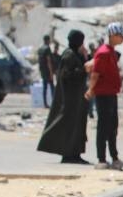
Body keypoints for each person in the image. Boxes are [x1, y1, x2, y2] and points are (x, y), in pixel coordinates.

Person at [37, 30, 90, 164]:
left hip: (77, 98)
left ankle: (75, 154)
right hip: (70, 99)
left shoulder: (76, 54)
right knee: (69, 126)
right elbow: (67, 76)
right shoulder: (69, 55)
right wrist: (84, 69)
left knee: (78, 126)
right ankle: (68, 154)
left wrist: (85, 58)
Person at [86, 23, 123, 171]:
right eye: (120, 36)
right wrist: (91, 89)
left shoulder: (111, 52)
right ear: (112, 36)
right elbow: (95, 74)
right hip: (103, 94)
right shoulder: (103, 53)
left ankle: (114, 157)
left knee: (112, 126)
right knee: (103, 126)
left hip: (112, 93)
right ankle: (101, 158)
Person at [37, 34, 56, 108]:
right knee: (52, 87)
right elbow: (48, 61)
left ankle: (45, 103)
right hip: (48, 71)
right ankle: (54, 103)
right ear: (48, 40)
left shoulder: (40, 48)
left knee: (45, 87)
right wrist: (51, 72)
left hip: (42, 70)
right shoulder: (47, 49)